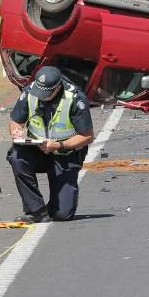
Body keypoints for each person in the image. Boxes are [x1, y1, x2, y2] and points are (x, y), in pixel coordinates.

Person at [6, 66, 95, 223]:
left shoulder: (75, 99)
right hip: (37, 150)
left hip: (65, 155)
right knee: (16, 156)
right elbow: (15, 121)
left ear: (57, 87)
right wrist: (16, 131)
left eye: (47, 94)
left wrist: (59, 145)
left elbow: (87, 136)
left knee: (62, 215)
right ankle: (36, 210)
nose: (42, 97)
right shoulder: (29, 92)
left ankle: (53, 206)